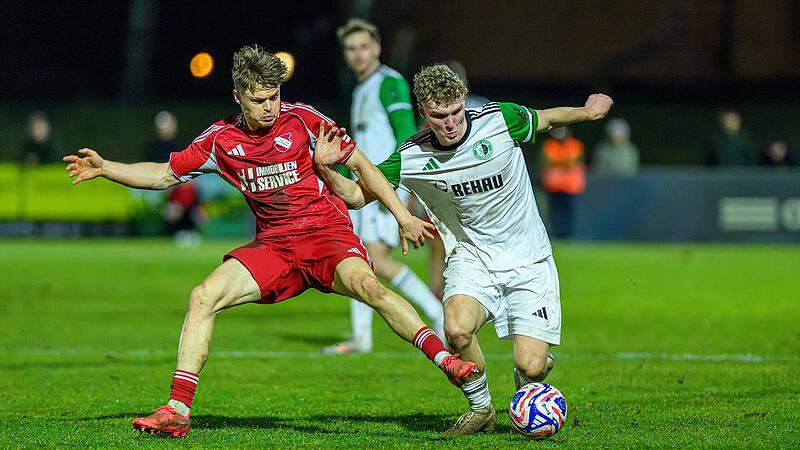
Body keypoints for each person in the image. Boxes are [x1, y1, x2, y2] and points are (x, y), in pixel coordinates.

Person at [63, 46, 477, 438]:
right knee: (203, 295)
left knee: (370, 288)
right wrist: (106, 168)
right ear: (238, 96)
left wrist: (402, 215)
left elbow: (361, 164)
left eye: (275, 96)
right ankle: (177, 411)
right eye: (259, 99)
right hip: (274, 247)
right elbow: (162, 174)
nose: (270, 106)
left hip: (325, 235)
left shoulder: (303, 121)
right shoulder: (220, 141)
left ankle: (446, 361)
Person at [313, 64, 613, 435]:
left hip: (528, 257)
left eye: (456, 111)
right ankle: (481, 408)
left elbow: (547, 119)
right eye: (440, 116)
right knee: (456, 332)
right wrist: (326, 170)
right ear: (423, 112)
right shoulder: (411, 156)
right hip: (471, 259)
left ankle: (532, 375)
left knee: (532, 367)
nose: (451, 123)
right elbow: (356, 196)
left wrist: (587, 111)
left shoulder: (498, 119)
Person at [322, 19, 444, 355]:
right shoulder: (361, 86)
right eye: (351, 48)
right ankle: (361, 337)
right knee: (357, 256)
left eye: (364, 46)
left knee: (375, 258)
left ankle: (437, 314)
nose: (358, 54)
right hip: (366, 187)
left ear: (377, 47)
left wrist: (394, 188)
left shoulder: (389, 83)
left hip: (382, 186)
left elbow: (406, 132)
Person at [147, 111, 204, 247]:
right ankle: (177, 230)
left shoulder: (180, 145)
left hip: (177, 186)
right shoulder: (153, 148)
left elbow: (189, 172)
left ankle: (186, 229)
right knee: (180, 196)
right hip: (158, 187)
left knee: (187, 191)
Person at [540, 126, 586, 239]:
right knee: (554, 213)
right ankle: (557, 236)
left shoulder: (575, 145)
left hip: (571, 186)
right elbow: (546, 162)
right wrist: (563, 163)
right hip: (553, 186)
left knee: (569, 213)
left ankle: (569, 236)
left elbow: (573, 162)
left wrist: (558, 163)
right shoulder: (549, 145)